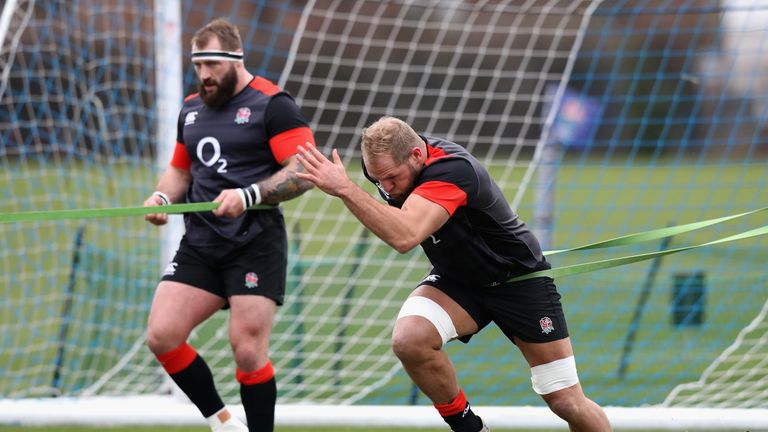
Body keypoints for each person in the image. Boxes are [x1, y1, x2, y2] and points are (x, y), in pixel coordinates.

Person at [295, 116, 612, 432]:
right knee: (409, 340)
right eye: (377, 180)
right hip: (459, 280)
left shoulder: (452, 170)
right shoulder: (385, 169)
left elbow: (405, 236)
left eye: (392, 177)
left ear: (417, 156)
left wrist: (346, 189)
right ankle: (469, 428)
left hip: (518, 280)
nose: (386, 187)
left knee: (566, 401)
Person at [142, 18, 315, 432]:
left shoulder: (273, 105)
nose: (204, 75)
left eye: (213, 64)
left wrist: (249, 195)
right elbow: (180, 172)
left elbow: (304, 170)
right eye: (198, 65)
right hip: (201, 243)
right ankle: (222, 422)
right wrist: (162, 196)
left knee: (247, 351)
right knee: (162, 335)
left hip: (254, 244)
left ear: (237, 60)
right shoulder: (191, 109)